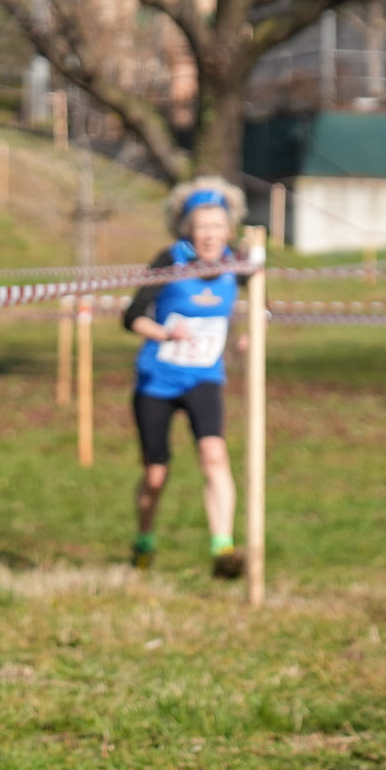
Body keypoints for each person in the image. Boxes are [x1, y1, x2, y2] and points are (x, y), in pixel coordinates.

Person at [121, 177, 248, 579]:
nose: (210, 235)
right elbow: (131, 316)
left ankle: (222, 548)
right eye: (202, 226)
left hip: (203, 378)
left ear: (229, 230)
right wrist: (164, 333)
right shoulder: (169, 260)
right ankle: (144, 540)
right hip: (156, 380)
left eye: (217, 226)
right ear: (188, 229)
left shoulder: (237, 263)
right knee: (155, 475)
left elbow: (264, 305)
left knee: (214, 456)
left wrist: (251, 332)